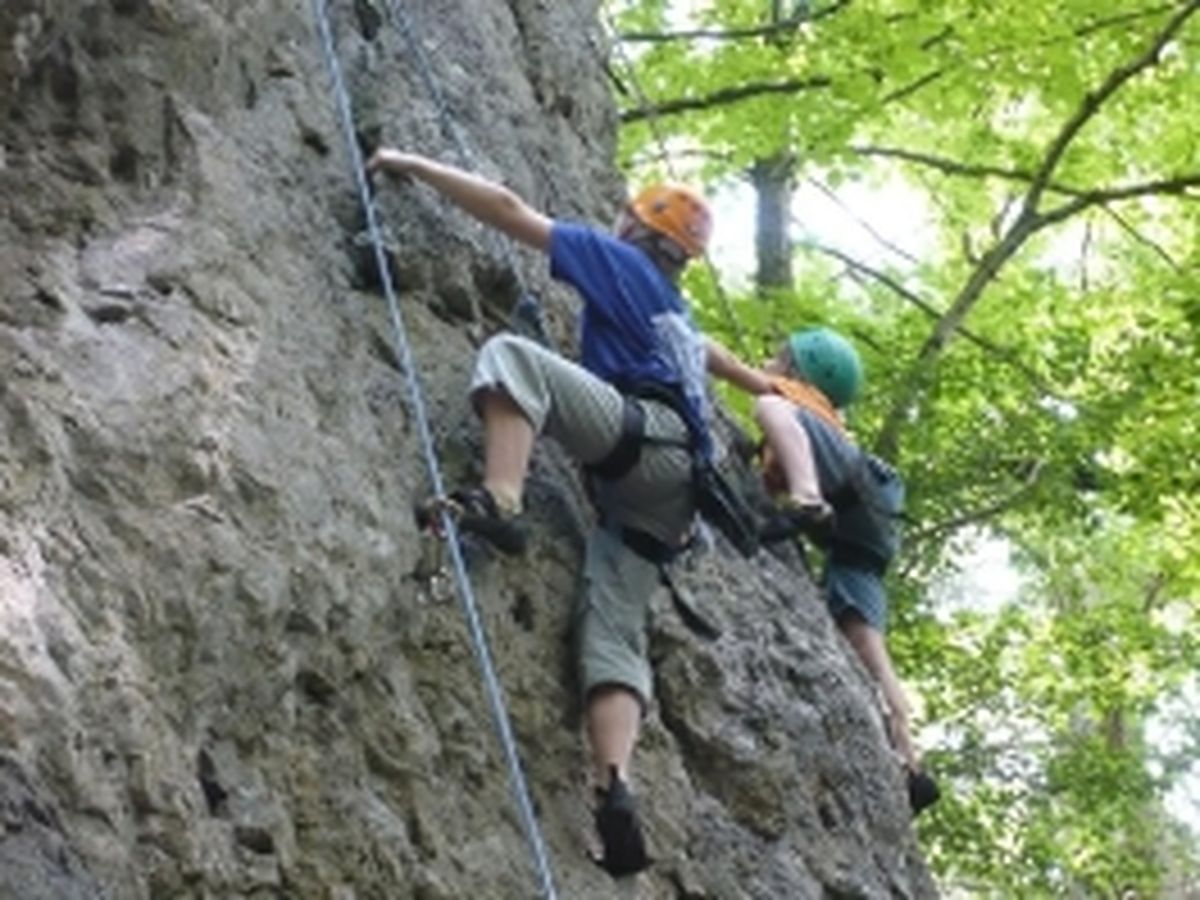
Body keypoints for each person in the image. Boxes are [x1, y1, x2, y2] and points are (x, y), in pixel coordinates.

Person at [367, 148, 770, 875]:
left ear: (636, 227)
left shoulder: (619, 263)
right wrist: (759, 380)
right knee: (613, 628)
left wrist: (408, 163)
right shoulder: (674, 309)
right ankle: (615, 782)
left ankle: (503, 496)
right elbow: (711, 361)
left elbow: (509, 209)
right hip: (674, 498)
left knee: (512, 358)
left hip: (640, 441)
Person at [749, 327, 940, 817]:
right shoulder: (818, 423)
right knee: (865, 643)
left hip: (854, 494)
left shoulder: (800, 402)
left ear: (799, 372)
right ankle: (911, 765)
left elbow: (755, 385)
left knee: (769, 408)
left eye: (777, 358)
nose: (768, 363)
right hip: (862, 539)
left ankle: (809, 500)